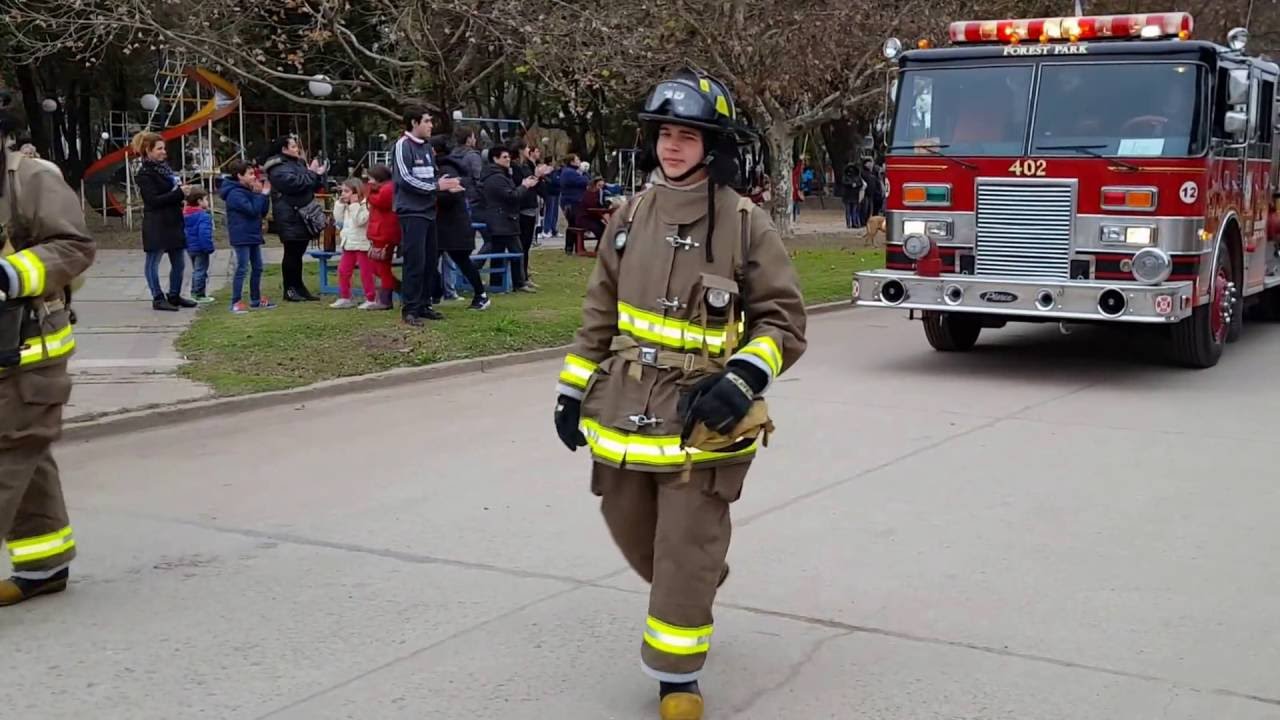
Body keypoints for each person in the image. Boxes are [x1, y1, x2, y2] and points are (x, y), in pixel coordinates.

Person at [552, 71, 806, 720]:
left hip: (704, 415)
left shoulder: (747, 224)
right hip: (624, 407)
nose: (672, 145)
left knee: (684, 547)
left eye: (686, 135)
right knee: (631, 529)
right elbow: (599, 310)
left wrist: (743, 378)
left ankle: (676, 679)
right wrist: (572, 389)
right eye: (665, 133)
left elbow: (783, 320)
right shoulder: (628, 215)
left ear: (710, 145)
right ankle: (695, 581)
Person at [0, 90, 96, 606]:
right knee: (25, 454)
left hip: (28, 353)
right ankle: (44, 565)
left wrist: (10, 274)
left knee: (8, 449)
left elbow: (74, 246)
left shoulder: (33, 180)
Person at [393, 105, 464, 326]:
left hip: (429, 211)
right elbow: (405, 179)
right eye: (427, 121)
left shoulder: (426, 147)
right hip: (412, 212)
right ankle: (410, 309)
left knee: (429, 262)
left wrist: (447, 186)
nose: (431, 125)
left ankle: (424, 305)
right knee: (414, 262)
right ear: (414, 123)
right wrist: (436, 186)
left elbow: (432, 176)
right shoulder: (402, 145)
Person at [132, 131, 196, 312]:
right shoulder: (145, 174)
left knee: (179, 261)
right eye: (159, 149)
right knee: (153, 261)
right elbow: (153, 200)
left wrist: (183, 192)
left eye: (163, 148)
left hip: (173, 220)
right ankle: (157, 297)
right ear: (148, 150)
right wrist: (178, 193)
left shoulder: (165, 169)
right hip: (157, 223)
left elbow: (172, 192)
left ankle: (174, 295)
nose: (163, 152)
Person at [262, 136, 326, 302]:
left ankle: (299, 287)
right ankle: (290, 289)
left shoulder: (297, 163)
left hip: (303, 214)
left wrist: (317, 175)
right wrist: (312, 173)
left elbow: (310, 184)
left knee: (298, 253)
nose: (297, 148)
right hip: (290, 215)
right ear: (284, 149)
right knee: (291, 253)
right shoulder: (277, 167)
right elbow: (294, 184)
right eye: (293, 146)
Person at [432, 135, 490, 310]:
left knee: (461, 260)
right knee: (430, 260)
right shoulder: (439, 168)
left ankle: (480, 294)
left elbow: (450, 196)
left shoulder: (446, 169)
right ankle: (435, 292)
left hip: (452, 225)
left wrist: (433, 191)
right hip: (443, 224)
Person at [478, 146, 539, 294]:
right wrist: (524, 186)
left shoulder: (501, 174)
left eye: (508, 157)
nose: (508, 159)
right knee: (516, 251)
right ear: (495, 158)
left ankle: (498, 283)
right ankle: (518, 282)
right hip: (502, 220)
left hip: (503, 219)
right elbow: (511, 196)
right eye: (504, 157)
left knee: (499, 250)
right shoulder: (496, 177)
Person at [220, 159, 276, 314]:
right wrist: (262, 195)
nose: (254, 177)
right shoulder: (235, 194)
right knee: (242, 268)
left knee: (258, 267)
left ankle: (255, 299)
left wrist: (263, 196)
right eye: (250, 174)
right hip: (242, 235)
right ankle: (235, 301)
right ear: (239, 176)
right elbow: (252, 210)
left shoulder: (249, 191)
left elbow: (261, 211)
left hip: (253, 234)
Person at [330, 178, 377, 309]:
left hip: (362, 244)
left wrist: (354, 205)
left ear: (356, 192)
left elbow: (360, 221)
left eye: (346, 191)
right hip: (349, 243)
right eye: (342, 191)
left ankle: (371, 298)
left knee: (365, 272)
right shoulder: (346, 206)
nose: (343, 194)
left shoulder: (365, 205)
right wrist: (339, 204)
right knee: (343, 271)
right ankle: (345, 297)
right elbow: (338, 219)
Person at [510, 139, 551, 288]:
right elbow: (520, 184)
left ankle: (524, 275)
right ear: (521, 150)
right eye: (527, 148)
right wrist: (533, 179)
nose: (529, 150)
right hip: (522, 208)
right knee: (522, 244)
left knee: (526, 245)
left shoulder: (527, 165)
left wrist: (539, 177)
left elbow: (540, 188)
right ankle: (519, 278)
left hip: (531, 207)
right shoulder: (515, 167)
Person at [364, 164, 400, 311]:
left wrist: (368, 191)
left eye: (371, 179)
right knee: (377, 265)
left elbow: (380, 202)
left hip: (384, 233)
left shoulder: (387, 189)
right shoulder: (384, 188)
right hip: (380, 232)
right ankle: (395, 289)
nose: (368, 181)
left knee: (381, 266)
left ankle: (386, 298)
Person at [182, 188, 216, 304]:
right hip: (201, 247)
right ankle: (198, 293)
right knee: (201, 271)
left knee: (196, 270)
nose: (208, 202)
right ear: (199, 201)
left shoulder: (185, 215)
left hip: (190, 247)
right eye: (206, 199)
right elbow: (204, 233)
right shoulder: (203, 216)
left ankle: (196, 292)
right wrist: (208, 247)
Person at [558, 154, 589, 253]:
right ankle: (571, 247)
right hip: (571, 202)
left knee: (575, 224)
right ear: (572, 162)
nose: (579, 161)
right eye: (577, 159)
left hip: (574, 201)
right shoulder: (569, 172)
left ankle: (575, 247)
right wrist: (584, 174)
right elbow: (584, 181)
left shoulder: (572, 172)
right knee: (574, 224)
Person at [574, 176, 608, 240]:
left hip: (593, 217)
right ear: (594, 185)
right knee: (600, 230)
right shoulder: (589, 193)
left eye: (602, 185)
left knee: (605, 229)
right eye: (599, 185)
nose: (601, 187)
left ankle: (601, 247)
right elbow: (592, 206)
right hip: (585, 218)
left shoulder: (600, 193)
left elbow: (601, 204)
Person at [541, 157, 562, 240]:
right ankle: (546, 230)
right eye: (553, 161)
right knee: (550, 211)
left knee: (555, 212)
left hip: (557, 192)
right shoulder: (547, 170)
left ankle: (554, 229)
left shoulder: (556, 171)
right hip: (550, 192)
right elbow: (552, 180)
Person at [840, 162, 865, 229]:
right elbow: (844, 183)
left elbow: (861, 184)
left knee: (854, 210)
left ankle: (854, 223)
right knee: (848, 211)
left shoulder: (857, 176)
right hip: (847, 196)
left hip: (854, 195)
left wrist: (856, 185)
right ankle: (849, 224)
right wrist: (851, 184)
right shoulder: (845, 176)